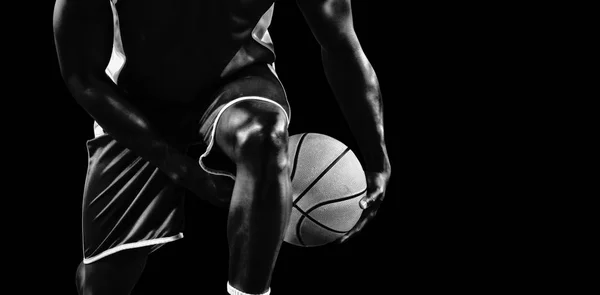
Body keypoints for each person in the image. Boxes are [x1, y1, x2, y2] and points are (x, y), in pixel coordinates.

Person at [53, 0, 391, 294]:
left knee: (265, 135)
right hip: (135, 101)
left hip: (235, 78)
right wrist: (186, 173)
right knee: (101, 284)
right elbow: (84, 78)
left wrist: (376, 159)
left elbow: (341, 46)